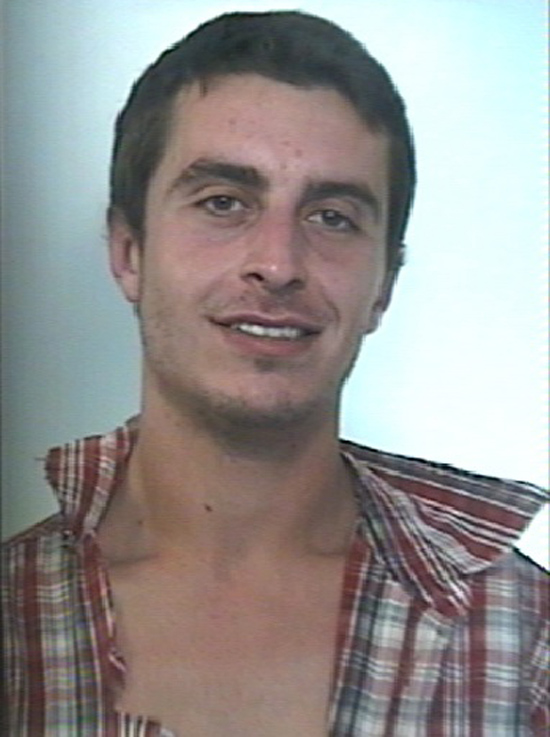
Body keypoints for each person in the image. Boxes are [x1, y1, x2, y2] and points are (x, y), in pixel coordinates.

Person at [2, 10, 548, 736]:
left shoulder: (526, 639)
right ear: (129, 252)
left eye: (332, 217)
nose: (279, 263)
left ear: (383, 286)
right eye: (223, 202)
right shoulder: (15, 614)